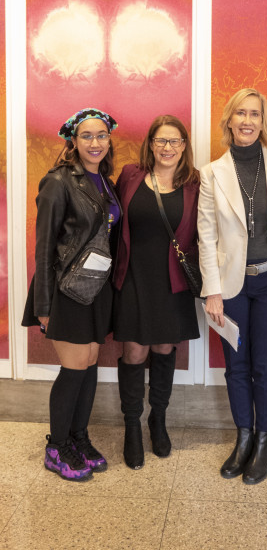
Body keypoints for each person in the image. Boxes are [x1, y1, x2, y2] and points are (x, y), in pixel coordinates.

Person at [198, 88, 267, 485]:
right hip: (232, 285)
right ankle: (243, 437)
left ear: (263, 121)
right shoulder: (211, 172)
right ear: (229, 119)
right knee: (236, 367)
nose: (248, 121)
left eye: (255, 114)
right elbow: (206, 236)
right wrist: (212, 290)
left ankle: (265, 440)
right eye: (241, 113)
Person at [22, 108, 121, 481]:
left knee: (91, 361)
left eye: (101, 136)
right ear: (73, 141)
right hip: (65, 291)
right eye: (86, 136)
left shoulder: (106, 182)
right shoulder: (58, 182)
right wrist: (44, 306)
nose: (95, 143)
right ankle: (56, 444)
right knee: (74, 366)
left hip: (98, 289)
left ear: (109, 140)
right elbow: (44, 247)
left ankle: (78, 437)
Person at [113, 115, 200, 469]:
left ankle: (157, 419)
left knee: (165, 349)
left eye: (175, 142)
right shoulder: (131, 175)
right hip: (133, 277)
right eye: (161, 141)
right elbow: (112, 223)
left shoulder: (194, 183)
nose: (168, 148)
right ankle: (131, 425)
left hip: (172, 281)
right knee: (134, 352)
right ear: (150, 143)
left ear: (184, 146)